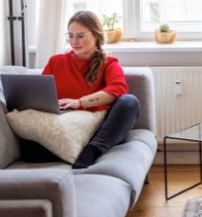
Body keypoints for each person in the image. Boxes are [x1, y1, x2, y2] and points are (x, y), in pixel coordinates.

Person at [39, 10, 140, 169]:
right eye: (70, 36)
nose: (74, 41)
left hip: (97, 129)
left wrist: (80, 103)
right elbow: (40, 92)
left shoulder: (109, 63)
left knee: (129, 102)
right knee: (29, 149)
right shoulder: (56, 62)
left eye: (80, 36)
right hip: (65, 127)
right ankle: (78, 149)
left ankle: (92, 150)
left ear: (96, 36)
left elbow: (118, 88)